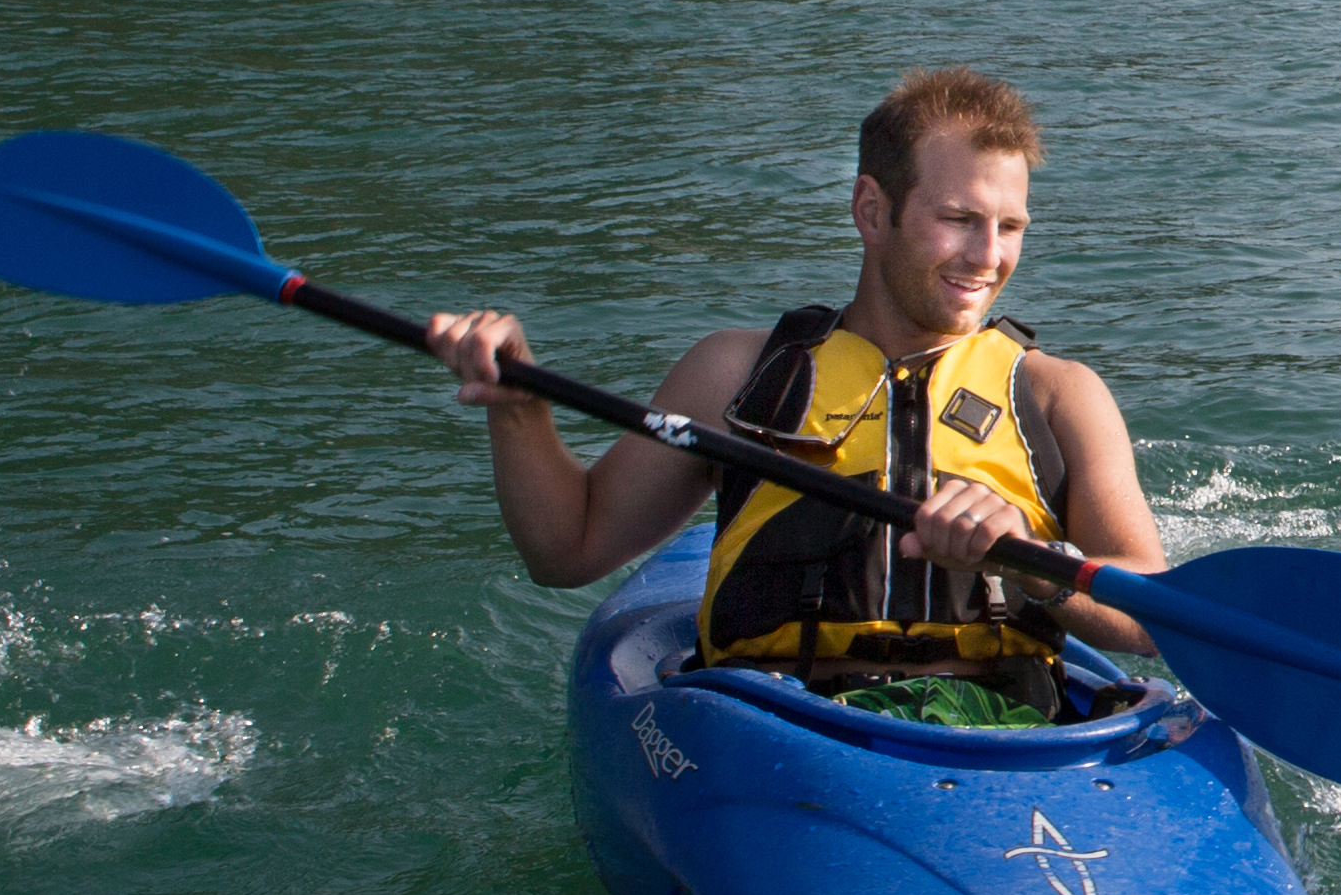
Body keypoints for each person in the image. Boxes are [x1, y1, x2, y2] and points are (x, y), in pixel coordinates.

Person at [420, 68, 1169, 704]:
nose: (988, 256)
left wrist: (1029, 561)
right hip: (779, 724)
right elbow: (568, 551)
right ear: (871, 210)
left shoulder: (1058, 395)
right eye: (959, 219)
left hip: (994, 734)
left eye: (1010, 227)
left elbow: (1149, 619)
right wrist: (520, 408)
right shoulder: (737, 376)